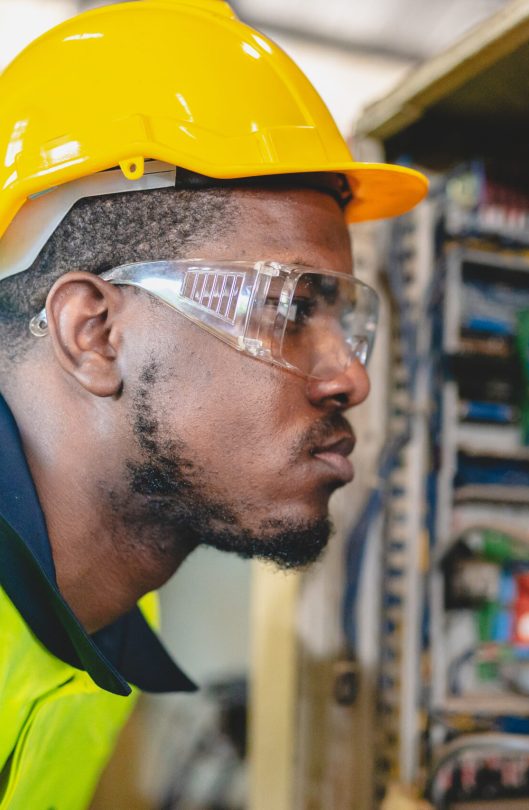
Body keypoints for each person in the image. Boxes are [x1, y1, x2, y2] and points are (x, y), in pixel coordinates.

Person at [0, 0, 427, 806]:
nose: (349, 379)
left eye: (347, 320)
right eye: (292, 308)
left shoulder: (102, 612)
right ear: (94, 333)